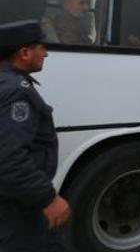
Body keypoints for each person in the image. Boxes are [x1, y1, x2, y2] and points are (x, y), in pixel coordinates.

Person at [0, 20, 71, 251]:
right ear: (24, 52)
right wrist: (48, 198)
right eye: (41, 47)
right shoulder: (16, 92)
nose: (46, 54)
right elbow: (9, 159)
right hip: (16, 205)